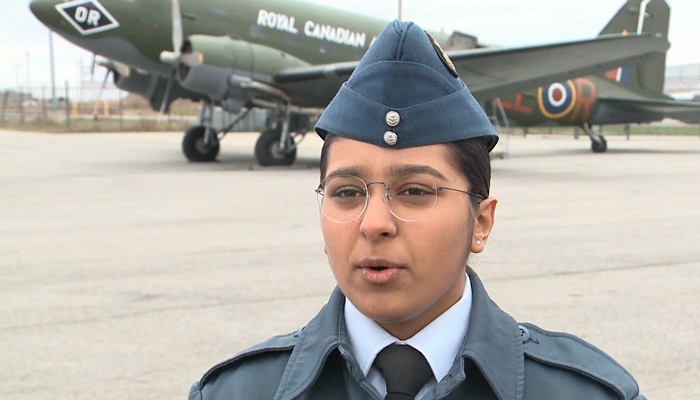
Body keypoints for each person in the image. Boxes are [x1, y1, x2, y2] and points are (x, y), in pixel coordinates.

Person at [188, 21, 646, 400]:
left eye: (416, 191)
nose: (374, 224)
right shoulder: (235, 392)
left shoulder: (591, 394)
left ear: (481, 223)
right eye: (346, 192)